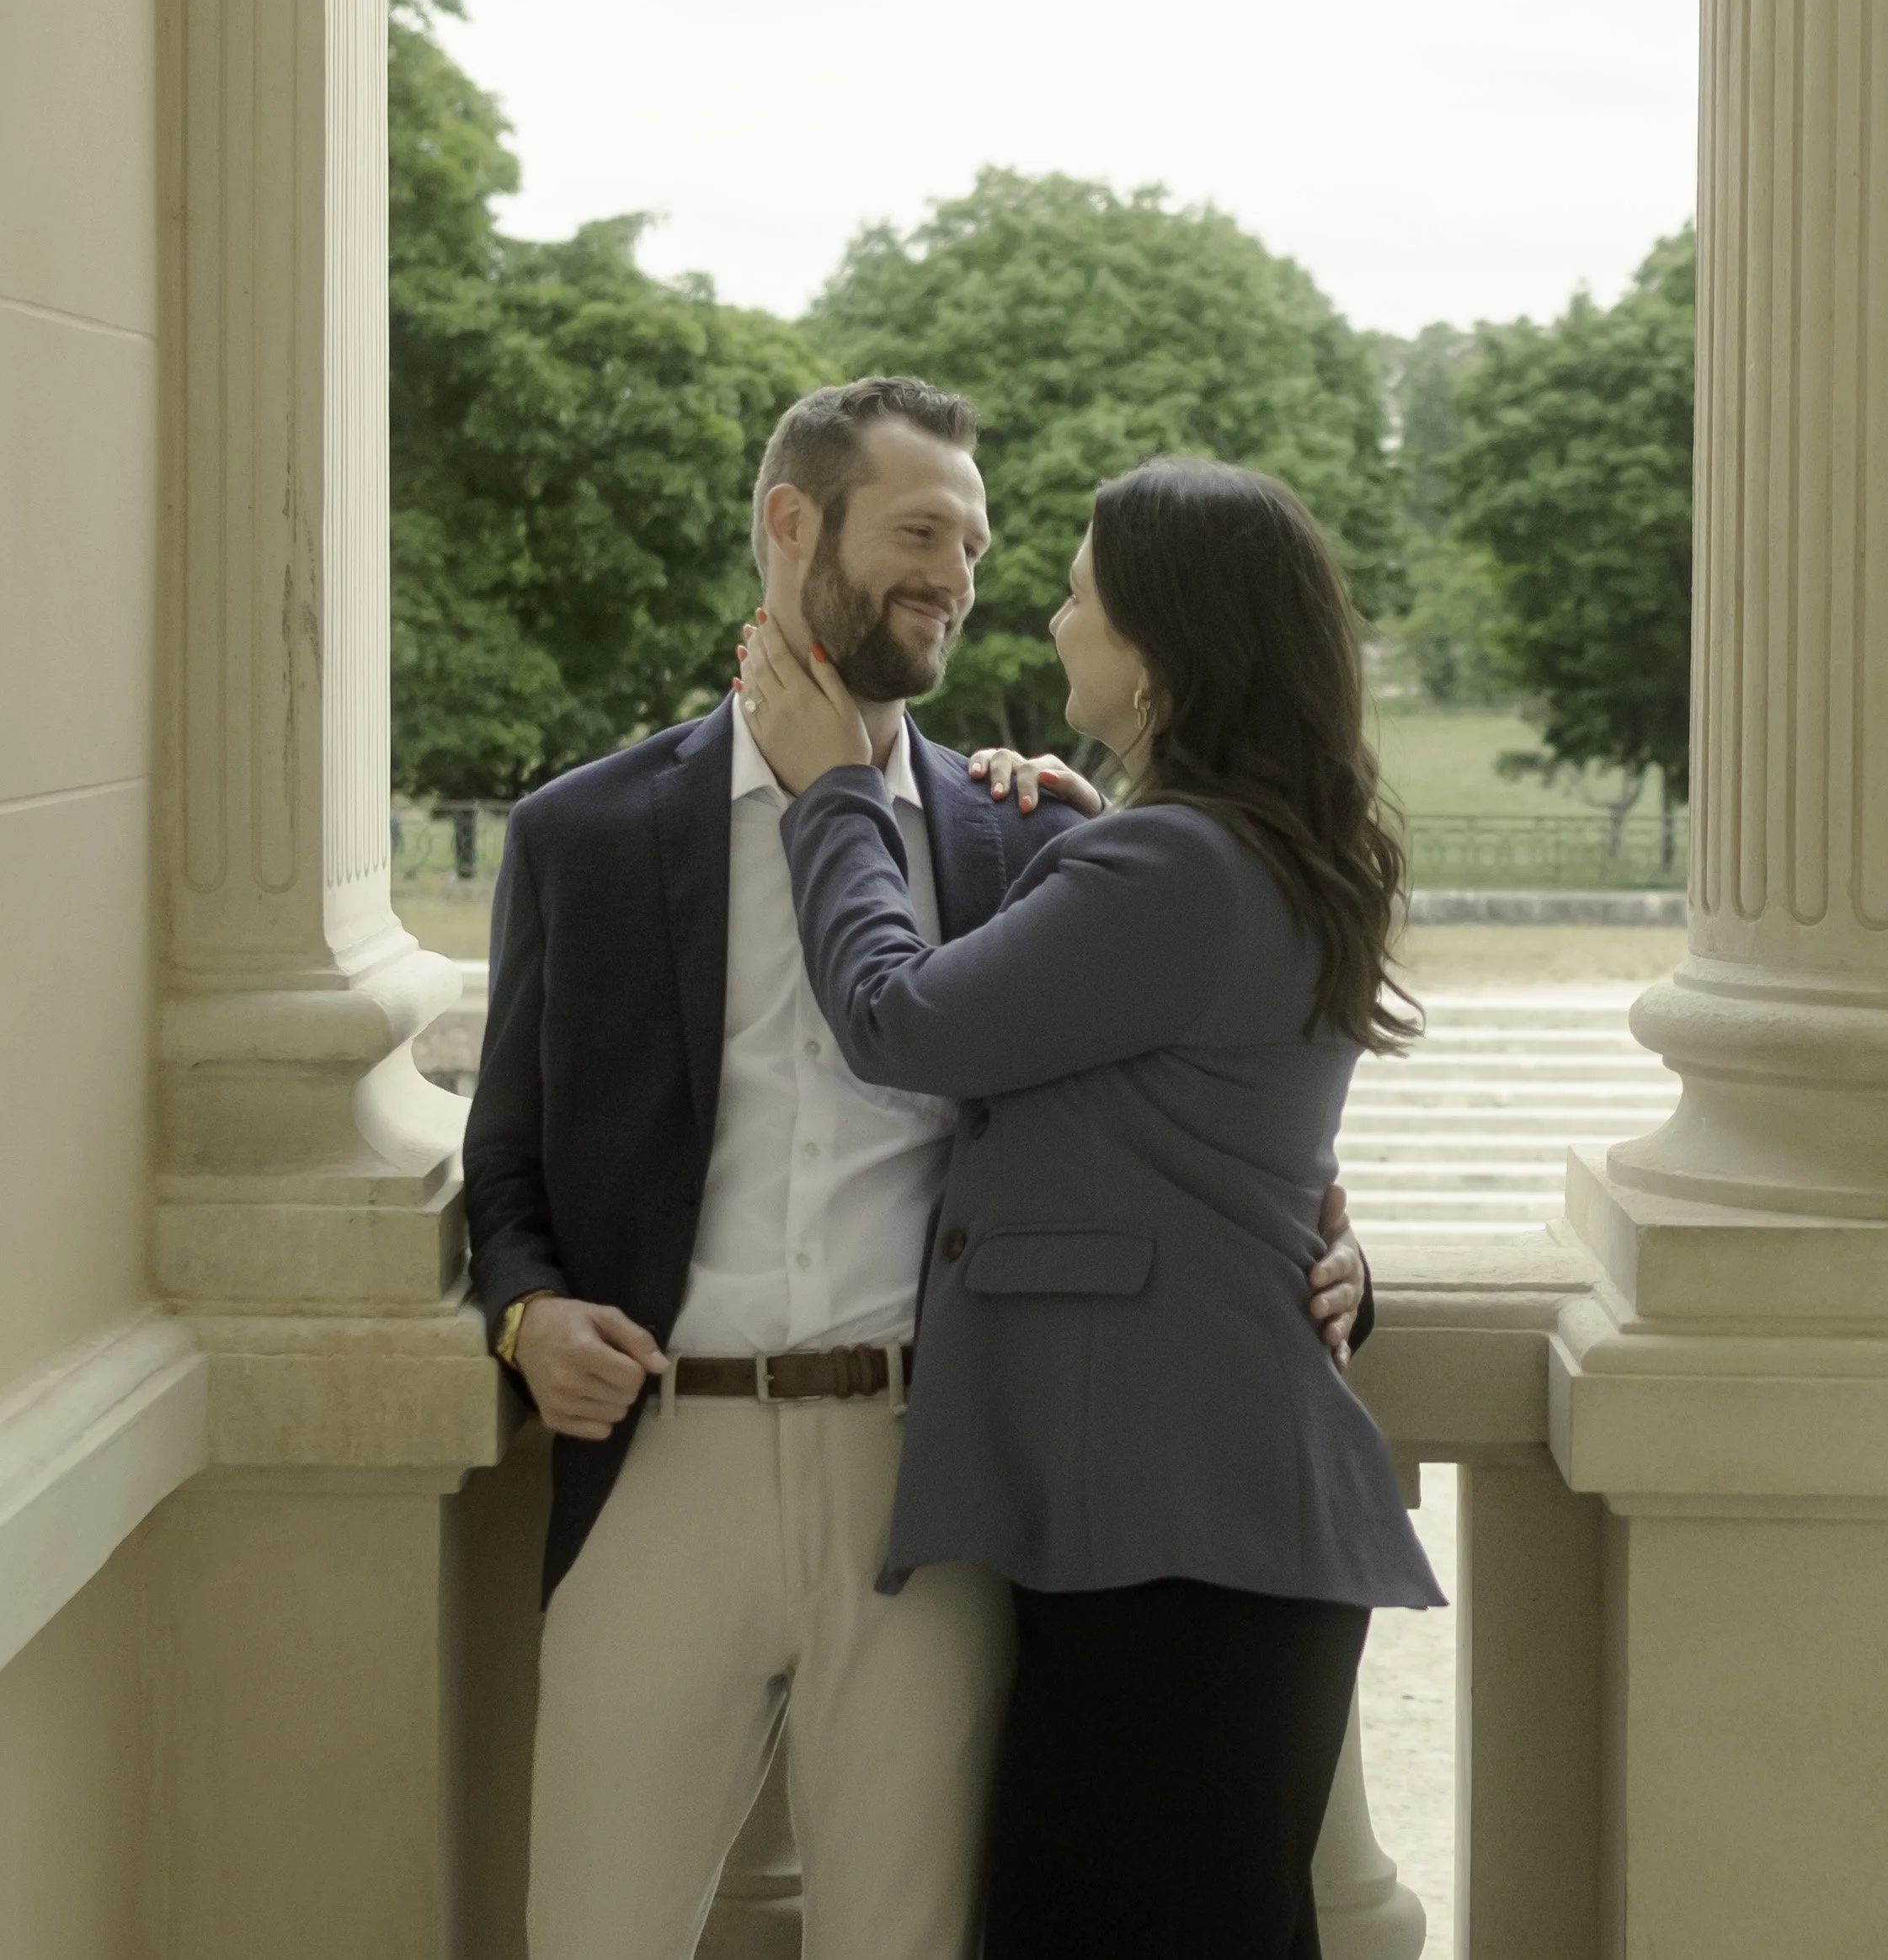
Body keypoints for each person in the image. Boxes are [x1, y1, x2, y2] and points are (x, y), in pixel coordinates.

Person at [463, 380, 1371, 1960]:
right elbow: (507, 1158)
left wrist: (1338, 1243)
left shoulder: (1034, 838)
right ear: (791, 524)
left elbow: (1214, 1102)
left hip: (933, 1485)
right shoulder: (581, 836)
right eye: (922, 532)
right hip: (661, 1462)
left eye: (981, 546)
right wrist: (525, 1313)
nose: (959, 577)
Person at [737, 455, 1439, 1960]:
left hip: (1181, 1539)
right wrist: (1073, 835)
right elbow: (1195, 1114)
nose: (1052, 624)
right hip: (1195, 1526)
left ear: (1164, 652)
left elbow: (900, 1022)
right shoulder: (1231, 847)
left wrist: (836, 796)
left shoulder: (1173, 863)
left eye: (1077, 598)